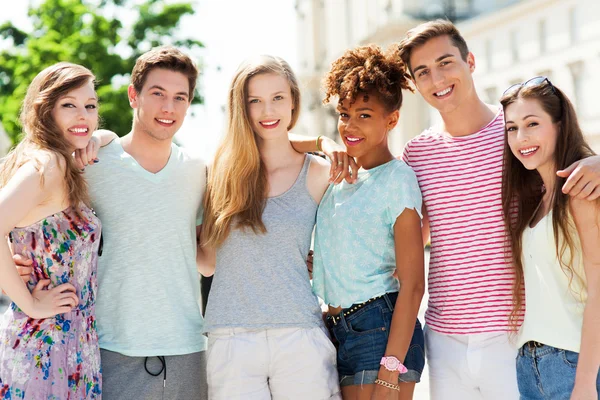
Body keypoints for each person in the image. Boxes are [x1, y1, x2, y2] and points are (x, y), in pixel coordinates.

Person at [396, 19, 600, 399]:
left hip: (513, 335)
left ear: (470, 61)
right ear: (414, 83)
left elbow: (572, 165)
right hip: (444, 338)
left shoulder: (516, 135)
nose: (437, 79)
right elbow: (409, 240)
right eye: (423, 72)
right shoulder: (417, 154)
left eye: (446, 63)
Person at [14, 46, 208, 400]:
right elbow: (28, 221)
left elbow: (205, 257)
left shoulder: (199, 170)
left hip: (187, 348)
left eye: (180, 97)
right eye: (158, 94)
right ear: (133, 96)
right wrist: (22, 273)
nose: (169, 107)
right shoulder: (86, 163)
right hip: (107, 351)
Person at [197, 55, 341, 400]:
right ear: (241, 108)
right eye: (255, 101)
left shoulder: (321, 173)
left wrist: (323, 141)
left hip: (299, 335)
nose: (268, 111)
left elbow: (346, 246)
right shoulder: (218, 174)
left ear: (293, 100)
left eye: (278, 98)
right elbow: (209, 262)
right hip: (230, 339)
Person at [310, 44, 426, 400]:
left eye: (364, 115)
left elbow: (413, 285)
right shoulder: (341, 177)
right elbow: (281, 141)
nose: (349, 126)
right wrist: (324, 144)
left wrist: (390, 370)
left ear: (391, 120)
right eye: (344, 115)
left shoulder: (398, 180)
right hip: (336, 329)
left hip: (380, 328)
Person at [0, 62, 103, 398]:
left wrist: (96, 140)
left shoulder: (56, 160)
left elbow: (104, 134)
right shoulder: (49, 165)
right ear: (46, 111)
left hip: (67, 341)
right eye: (69, 105)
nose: (83, 116)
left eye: (90, 106)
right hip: (46, 343)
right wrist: (30, 304)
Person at [500, 77, 600, 399]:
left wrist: (585, 383)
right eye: (512, 128)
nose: (521, 137)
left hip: (573, 363)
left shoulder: (580, 192)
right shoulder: (537, 201)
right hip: (528, 366)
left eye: (532, 124)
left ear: (559, 125)